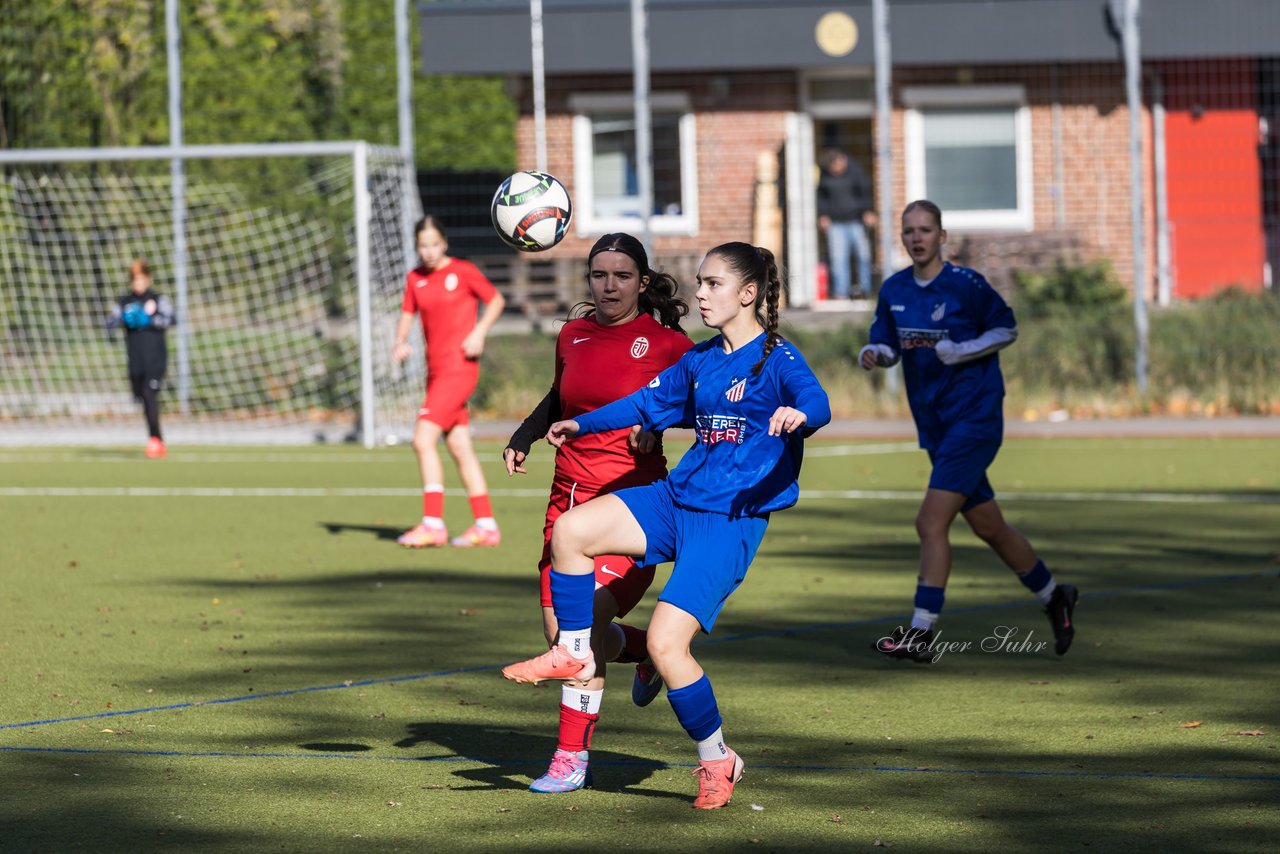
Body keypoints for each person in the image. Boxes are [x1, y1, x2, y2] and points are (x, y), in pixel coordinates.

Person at [502, 242, 831, 810]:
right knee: (571, 533)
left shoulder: (778, 358)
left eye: (712, 285)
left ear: (748, 294)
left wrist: (800, 415)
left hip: (728, 522)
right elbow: (640, 404)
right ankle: (575, 651)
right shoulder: (700, 361)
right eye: (699, 284)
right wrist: (578, 423)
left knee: (665, 643)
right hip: (675, 500)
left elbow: (816, 402)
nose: (699, 293)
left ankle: (717, 759)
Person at [502, 233, 694, 794]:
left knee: (576, 637)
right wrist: (525, 434)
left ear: (642, 281)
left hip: (632, 509)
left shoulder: (668, 345)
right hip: (566, 505)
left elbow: (697, 401)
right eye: (599, 275)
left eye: (622, 276)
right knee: (567, 631)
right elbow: (561, 396)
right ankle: (647, 651)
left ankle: (570, 759)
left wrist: (654, 426)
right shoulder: (572, 333)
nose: (609, 286)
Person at [859, 200, 1079, 663]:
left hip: (975, 419)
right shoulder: (896, 288)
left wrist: (963, 350)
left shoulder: (966, 285)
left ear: (943, 237)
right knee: (988, 525)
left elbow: (1007, 328)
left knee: (930, 522)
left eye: (925, 230)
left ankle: (922, 632)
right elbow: (888, 342)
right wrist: (876, 353)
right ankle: (1054, 595)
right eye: (909, 231)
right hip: (935, 423)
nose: (917, 238)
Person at [392, 215, 506, 548]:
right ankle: (486, 526)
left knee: (422, 440)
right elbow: (407, 314)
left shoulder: (463, 271)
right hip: (436, 373)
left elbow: (496, 300)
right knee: (458, 446)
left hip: (460, 369)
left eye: (434, 244)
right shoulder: (415, 278)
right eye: (422, 245)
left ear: (444, 243)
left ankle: (432, 524)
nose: (428, 251)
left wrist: (478, 332)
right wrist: (400, 342)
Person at [105, 258, 175, 458]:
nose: (138, 284)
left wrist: (150, 319)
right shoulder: (125, 302)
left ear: (148, 279)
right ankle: (155, 438)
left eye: (142, 280)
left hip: (155, 359)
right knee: (141, 397)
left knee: (149, 394)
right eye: (135, 280)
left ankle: (156, 440)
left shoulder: (157, 299)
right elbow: (110, 322)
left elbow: (172, 319)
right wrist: (120, 320)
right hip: (135, 360)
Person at [817, 148, 877, 300]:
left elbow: (865, 193)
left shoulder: (856, 172)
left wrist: (868, 211)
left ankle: (866, 290)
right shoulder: (825, 176)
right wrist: (823, 215)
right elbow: (821, 197)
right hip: (835, 224)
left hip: (856, 222)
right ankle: (841, 292)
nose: (835, 171)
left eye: (836, 167)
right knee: (838, 259)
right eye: (832, 169)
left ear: (842, 160)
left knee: (863, 256)